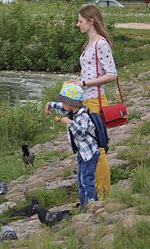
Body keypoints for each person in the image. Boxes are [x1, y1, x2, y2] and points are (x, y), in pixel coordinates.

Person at [67, 4, 117, 197]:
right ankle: (93, 192)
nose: (77, 24)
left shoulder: (100, 43)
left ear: (91, 21)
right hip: (85, 100)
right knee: (87, 148)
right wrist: (77, 83)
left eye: (80, 21)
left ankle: (103, 194)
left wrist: (84, 82)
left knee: (97, 149)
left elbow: (112, 74)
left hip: (95, 100)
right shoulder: (89, 43)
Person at [45, 83, 99, 209]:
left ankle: (93, 205)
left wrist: (70, 123)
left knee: (87, 181)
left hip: (90, 155)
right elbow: (61, 108)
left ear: (72, 103)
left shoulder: (83, 116)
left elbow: (81, 134)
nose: (62, 105)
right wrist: (49, 104)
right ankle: (84, 206)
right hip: (82, 154)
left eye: (64, 102)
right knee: (80, 180)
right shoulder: (72, 111)